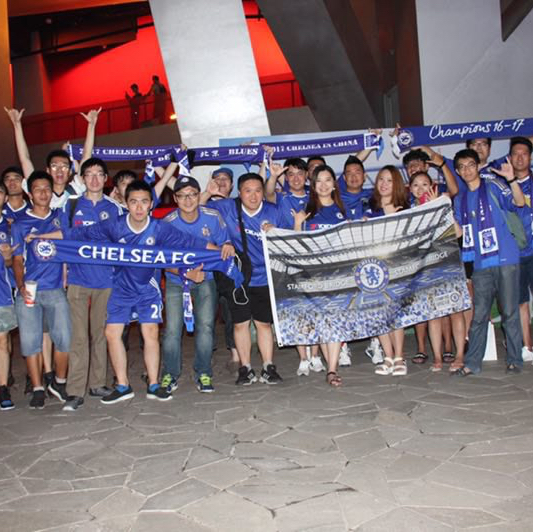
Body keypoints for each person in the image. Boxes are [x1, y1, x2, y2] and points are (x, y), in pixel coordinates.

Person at [31, 180, 216, 403]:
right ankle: (122, 385)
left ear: (151, 204)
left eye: (144, 202)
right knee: (111, 333)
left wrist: (221, 251)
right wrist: (42, 238)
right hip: (121, 287)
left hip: (148, 288)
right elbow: (78, 233)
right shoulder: (115, 225)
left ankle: (154, 384)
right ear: (126, 204)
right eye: (134, 202)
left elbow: (192, 242)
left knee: (150, 333)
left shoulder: (159, 228)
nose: (139, 207)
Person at [206, 172, 290, 385]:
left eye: (258, 191)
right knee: (240, 324)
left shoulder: (274, 212)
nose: (253, 196)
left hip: (265, 278)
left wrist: (275, 233)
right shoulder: (226, 207)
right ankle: (245, 368)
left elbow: (290, 240)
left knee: (264, 324)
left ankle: (268, 366)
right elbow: (193, 210)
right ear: (239, 193)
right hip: (238, 278)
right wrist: (207, 193)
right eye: (248, 191)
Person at [452, 149, 525, 376]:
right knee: (479, 315)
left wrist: (511, 179)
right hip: (480, 263)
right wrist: (443, 211)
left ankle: (515, 359)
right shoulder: (460, 199)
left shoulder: (493, 186)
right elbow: (459, 233)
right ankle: (472, 363)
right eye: (462, 167)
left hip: (506, 258)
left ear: (478, 166)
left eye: (470, 165)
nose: (467, 170)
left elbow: (519, 202)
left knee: (510, 312)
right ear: (458, 172)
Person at [60, 158, 124, 411]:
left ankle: (97, 383)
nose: (95, 179)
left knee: (101, 334)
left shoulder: (115, 208)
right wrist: (64, 272)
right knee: (78, 337)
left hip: (106, 280)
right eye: (89, 174)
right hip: (77, 279)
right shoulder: (71, 205)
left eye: (99, 174)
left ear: (106, 179)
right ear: (82, 178)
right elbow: (63, 240)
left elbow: (122, 244)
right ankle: (75, 391)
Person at [161, 176, 234, 393]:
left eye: (192, 194)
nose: (188, 200)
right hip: (176, 281)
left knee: (206, 326)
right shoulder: (167, 223)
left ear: (198, 195)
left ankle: (203, 372)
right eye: (182, 196)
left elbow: (225, 242)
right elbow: (162, 261)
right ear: (175, 198)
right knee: (172, 330)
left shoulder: (212, 217)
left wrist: (228, 245)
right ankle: (170, 373)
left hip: (206, 279)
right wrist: (186, 273)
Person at [12, 171, 72, 409]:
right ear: (30, 193)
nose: (43, 193)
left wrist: (65, 275)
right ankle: (37, 388)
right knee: (30, 342)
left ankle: (59, 382)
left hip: (56, 288)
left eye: (47, 188)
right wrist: (21, 286)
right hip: (31, 290)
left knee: (64, 339)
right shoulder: (20, 224)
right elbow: (17, 260)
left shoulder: (60, 217)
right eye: (37, 189)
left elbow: (68, 239)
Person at [293, 164, 349, 386]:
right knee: (323, 323)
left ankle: (332, 369)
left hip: (337, 275)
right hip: (313, 277)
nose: (324, 185)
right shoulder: (305, 211)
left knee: (335, 321)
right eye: (319, 181)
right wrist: (298, 224)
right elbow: (296, 245)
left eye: (328, 180)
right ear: (313, 185)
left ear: (334, 183)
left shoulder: (342, 210)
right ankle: (330, 365)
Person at [409, 170, 467, 372]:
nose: (420, 189)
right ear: (410, 189)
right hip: (426, 269)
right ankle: (437, 357)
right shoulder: (409, 213)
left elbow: (458, 233)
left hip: (449, 265)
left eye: (424, 184)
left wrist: (442, 210)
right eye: (416, 185)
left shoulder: (443, 204)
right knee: (432, 313)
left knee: (455, 311)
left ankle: (459, 356)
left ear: (432, 185)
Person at [4, 107, 101, 209]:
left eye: (64, 167)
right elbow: (25, 159)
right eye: (54, 166)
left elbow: (86, 156)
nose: (59, 171)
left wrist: (91, 125)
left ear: (70, 172)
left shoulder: (75, 189)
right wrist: (17, 125)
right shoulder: (38, 190)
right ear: (48, 170)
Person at [366, 165, 410, 376]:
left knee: (394, 313)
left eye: (389, 180)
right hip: (373, 270)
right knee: (378, 314)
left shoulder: (403, 208)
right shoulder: (370, 209)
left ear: (397, 184)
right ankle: (388, 356)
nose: (384, 184)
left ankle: (400, 357)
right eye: (381, 179)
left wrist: (393, 219)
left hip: (395, 269)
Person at [508, 137, 533, 363]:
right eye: (516, 153)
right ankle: (528, 346)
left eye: (524, 153)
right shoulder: (502, 185)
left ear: (530, 157)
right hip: (515, 254)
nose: (520, 157)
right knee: (520, 301)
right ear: (509, 157)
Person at [0, 182, 18, 411]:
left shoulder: (10, 226)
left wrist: (6, 258)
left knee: (2, 341)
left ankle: (2, 386)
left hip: (2, 292)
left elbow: (13, 263)